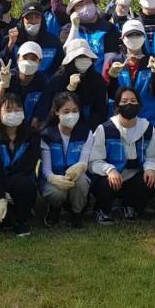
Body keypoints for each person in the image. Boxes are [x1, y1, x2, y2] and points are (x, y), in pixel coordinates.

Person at [88, 87, 155, 224]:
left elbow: (153, 156)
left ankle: (131, 207)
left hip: (133, 176)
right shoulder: (104, 129)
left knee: (150, 178)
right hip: (111, 178)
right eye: (124, 101)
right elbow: (93, 161)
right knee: (105, 184)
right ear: (117, 106)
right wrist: (110, 170)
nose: (129, 104)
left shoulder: (147, 128)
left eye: (133, 101)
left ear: (139, 105)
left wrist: (151, 168)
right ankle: (102, 209)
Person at [104, 19, 155, 128]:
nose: (134, 38)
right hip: (120, 122)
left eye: (138, 34)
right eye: (130, 35)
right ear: (122, 38)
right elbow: (109, 94)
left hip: (149, 122)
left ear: (144, 37)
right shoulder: (113, 62)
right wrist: (112, 77)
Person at [0, 93, 41, 236]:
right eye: (8, 110)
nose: (14, 113)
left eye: (17, 109)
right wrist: (0, 196)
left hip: (22, 183)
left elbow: (28, 166)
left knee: (22, 183)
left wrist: (9, 188)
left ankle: (23, 222)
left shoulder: (32, 136)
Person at [40, 92, 93, 227]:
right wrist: (53, 178)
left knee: (81, 181)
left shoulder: (86, 133)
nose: (71, 115)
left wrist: (80, 167)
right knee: (56, 193)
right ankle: (55, 209)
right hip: (55, 176)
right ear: (56, 112)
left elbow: (84, 161)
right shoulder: (46, 134)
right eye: (66, 111)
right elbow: (46, 168)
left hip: (76, 175)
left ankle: (77, 212)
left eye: (75, 111)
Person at [0, 42, 51, 128]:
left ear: (39, 62)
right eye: (25, 57)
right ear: (17, 59)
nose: (28, 62)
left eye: (33, 59)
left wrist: (36, 121)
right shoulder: (5, 75)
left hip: (28, 128)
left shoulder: (43, 81)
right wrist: (3, 85)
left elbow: (44, 106)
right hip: (3, 125)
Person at [49, 39, 108, 131]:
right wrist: (70, 88)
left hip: (90, 129)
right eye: (79, 57)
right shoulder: (59, 78)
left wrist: (88, 131)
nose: (83, 60)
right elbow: (54, 108)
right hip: (60, 129)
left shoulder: (97, 79)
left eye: (86, 56)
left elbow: (100, 110)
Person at [60, 0, 120, 73]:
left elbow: (110, 58)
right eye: (79, 5)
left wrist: (103, 79)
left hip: (100, 76)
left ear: (95, 5)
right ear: (73, 10)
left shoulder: (109, 28)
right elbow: (66, 51)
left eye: (88, 2)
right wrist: (75, 26)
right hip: (74, 77)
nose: (85, 6)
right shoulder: (67, 29)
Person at [0, 2, 63, 74]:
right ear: (22, 20)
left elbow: (59, 67)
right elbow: (1, 64)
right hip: (17, 79)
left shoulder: (53, 41)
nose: (33, 21)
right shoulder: (10, 39)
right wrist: (10, 45)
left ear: (42, 19)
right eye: (29, 18)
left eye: (37, 17)